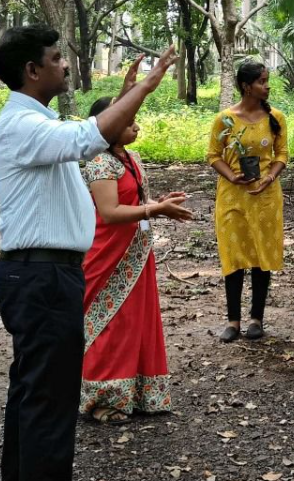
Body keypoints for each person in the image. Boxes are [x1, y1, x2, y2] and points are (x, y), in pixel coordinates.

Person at [0, 25, 176, 480]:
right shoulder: (23, 126)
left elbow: (90, 135)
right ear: (32, 70)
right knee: (49, 403)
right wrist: (147, 87)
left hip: (46, 275)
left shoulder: (37, 124)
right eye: (56, 57)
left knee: (36, 394)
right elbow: (87, 138)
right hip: (41, 276)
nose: (66, 63)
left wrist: (126, 100)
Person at [80, 97, 193, 422]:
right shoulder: (98, 163)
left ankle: (140, 393)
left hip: (136, 253)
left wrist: (160, 202)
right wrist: (154, 209)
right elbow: (111, 212)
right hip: (107, 255)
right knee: (109, 324)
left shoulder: (132, 158)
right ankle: (102, 400)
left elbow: (137, 201)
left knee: (136, 321)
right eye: (129, 121)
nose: (136, 125)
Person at [207, 61, 289, 343]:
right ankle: (233, 320)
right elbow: (213, 155)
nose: (267, 86)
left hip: (265, 197)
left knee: (260, 256)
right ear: (246, 86)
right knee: (234, 256)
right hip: (233, 197)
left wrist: (269, 177)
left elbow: (282, 155)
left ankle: (257, 318)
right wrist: (232, 176)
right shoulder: (225, 120)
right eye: (262, 82)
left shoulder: (275, 117)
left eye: (267, 81)